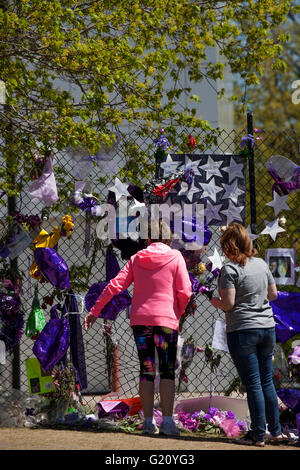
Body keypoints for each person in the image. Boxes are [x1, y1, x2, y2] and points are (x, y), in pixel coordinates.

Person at [84, 219, 192, 436]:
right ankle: (168, 422)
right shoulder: (176, 257)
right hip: (166, 323)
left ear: (148, 239)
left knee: (147, 369)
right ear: (169, 238)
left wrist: (95, 311)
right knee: (168, 371)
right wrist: (176, 314)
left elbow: (115, 285)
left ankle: (149, 421)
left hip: (141, 323)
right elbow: (186, 292)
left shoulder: (137, 259)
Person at [210, 222, 287, 447]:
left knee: (253, 384)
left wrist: (215, 301)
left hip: (243, 330)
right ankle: (276, 431)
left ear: (230, 246)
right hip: (267, 328)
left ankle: (256, 435)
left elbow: (229, 304)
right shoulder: (262, 264)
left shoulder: (230, 269)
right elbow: (273, 295)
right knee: (267, 382)